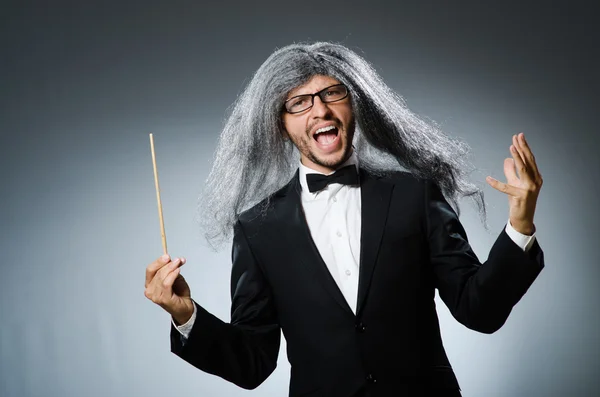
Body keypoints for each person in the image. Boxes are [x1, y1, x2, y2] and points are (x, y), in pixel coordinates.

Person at [144, 42, 544, 397]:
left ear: (355, 104)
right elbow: (252, 364)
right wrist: (185, 314)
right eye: (299, 102)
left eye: (332, 93)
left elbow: (479, 310)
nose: (319, 108)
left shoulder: (413, 195)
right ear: (279, 126)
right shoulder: (257, 229)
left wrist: (520, 227)